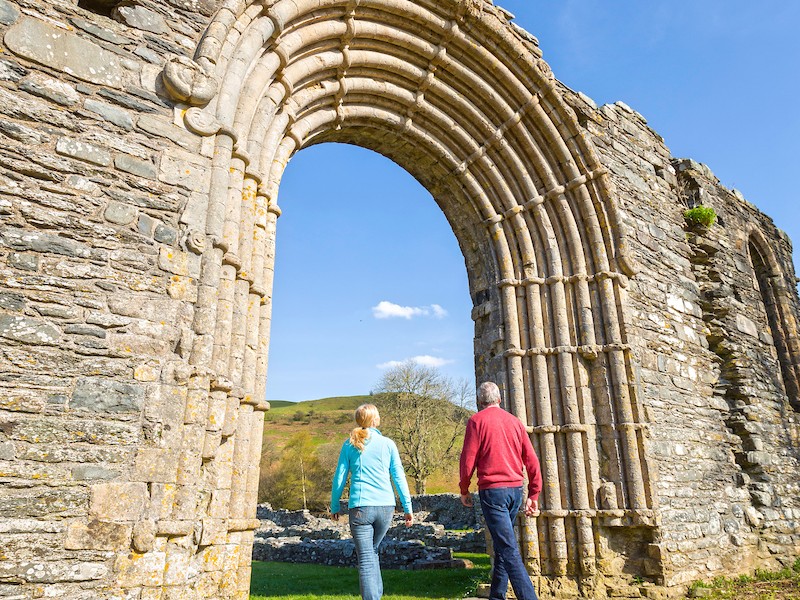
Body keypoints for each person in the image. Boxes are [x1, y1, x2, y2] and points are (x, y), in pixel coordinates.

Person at [459, 381, 542, 600]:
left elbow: (468, 460)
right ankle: (497, 596)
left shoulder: (476, 421)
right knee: (502, 544)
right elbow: (532, 459)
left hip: (493, 492)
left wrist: (464, 489)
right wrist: (534, 493)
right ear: (500, 399)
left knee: (508, 550)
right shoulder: (514, 422)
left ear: (479, 402)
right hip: (515, 491)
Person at [331, 403, 413, 600]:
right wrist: (407, 508)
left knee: (366, 558)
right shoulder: (388, 444)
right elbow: (399, 477)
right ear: (375, 420)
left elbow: (340, 477)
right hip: (386, 508)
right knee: (372, 552)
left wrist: (335, 505)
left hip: (361, 508)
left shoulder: (349, 444)